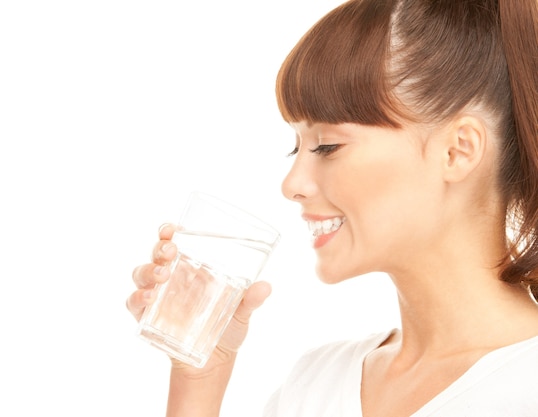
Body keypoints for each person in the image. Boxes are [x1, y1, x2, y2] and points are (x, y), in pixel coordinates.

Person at [126, 0, 538, 415]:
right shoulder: (317, 383)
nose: (291, 185)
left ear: (457, 151)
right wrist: (199, 376)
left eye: (327, 146)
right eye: (296, 146)